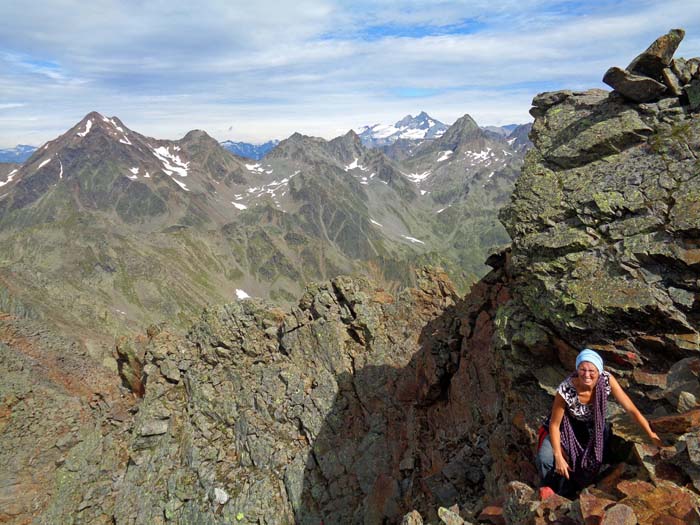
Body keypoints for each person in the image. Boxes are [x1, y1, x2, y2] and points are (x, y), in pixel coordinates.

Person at [536, 348, 662, 497]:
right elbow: (554, 425)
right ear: (577, 369)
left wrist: (652, 434)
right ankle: (551, 488)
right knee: (545, 458)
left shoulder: (607, 381)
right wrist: (558, 455)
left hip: (592, 428)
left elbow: (631, 410)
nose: (587, 375)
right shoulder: (566, 389)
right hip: (566, 429)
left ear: (599, 371)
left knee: (589, 463)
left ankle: (573, 489)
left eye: (592, 371)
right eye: (582, 369)